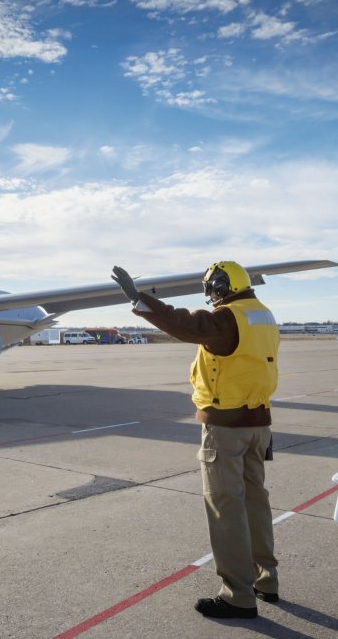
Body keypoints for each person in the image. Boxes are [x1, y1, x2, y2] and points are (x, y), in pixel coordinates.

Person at [111, 262, 279, 620]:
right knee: (255, 502)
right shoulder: (262, 315)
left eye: (211, 288)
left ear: (220, 286)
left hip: (226, 428)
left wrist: (139, 299)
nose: (210, 295)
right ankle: (267, 580)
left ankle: (237, 595)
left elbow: (185, 323)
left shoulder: (227, 318)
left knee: (226, 508)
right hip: (259, 424)